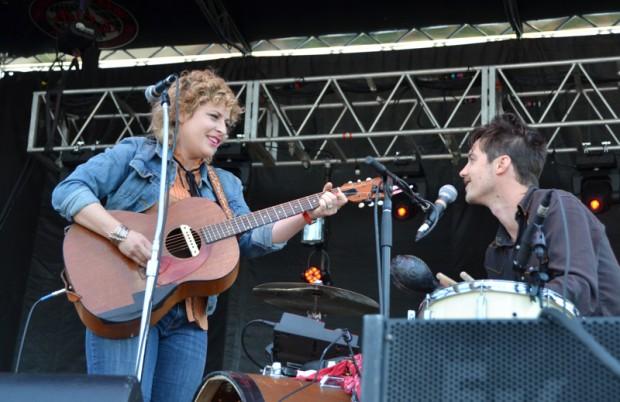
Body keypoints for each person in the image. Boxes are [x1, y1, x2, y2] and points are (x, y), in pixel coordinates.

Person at [51, 68, 348, 402]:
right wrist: (121, 235)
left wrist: (308, 212)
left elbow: (252, 238)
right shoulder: (135, 154)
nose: (222, 130)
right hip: (127, 304)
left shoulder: (225, 184)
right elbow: (69, 192)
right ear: (182, 112)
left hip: (190, 319)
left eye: (227, 123)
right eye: (214, 117)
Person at [439, 112, 620, 317]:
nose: (463, 171)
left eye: (471, 160)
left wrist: (506, 306)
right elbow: (514, 329)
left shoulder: (558, 205)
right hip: (551, 346)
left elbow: (575, 287)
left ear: (501, 164)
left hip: (603, 345)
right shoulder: (495, 252)